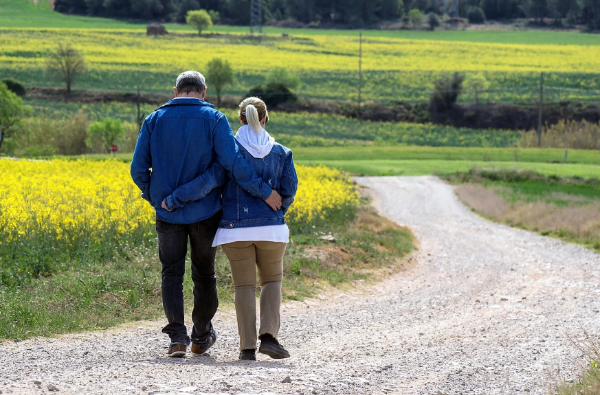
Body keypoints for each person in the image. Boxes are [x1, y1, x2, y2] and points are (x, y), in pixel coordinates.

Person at [130, 71, 282, 358]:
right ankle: (201, 336)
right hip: (206, 213)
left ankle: (177, 338)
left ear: (175, 91)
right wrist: (263, 191)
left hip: (167, 215)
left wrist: (157, 199)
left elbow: (138, 169)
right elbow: (232, 164)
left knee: (171, 273)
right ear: (204, 91)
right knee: (204, 274)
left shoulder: (154, 119)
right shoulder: (215, 120)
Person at [213, 97, 298, 361]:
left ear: (240, 119)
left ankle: (247, 348)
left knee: (244, 287)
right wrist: (276, 212)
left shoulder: (229, 152)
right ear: (265, 119)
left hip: (233, 230)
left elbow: (216, 182)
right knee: (272, 281)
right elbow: (290, 190)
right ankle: (269, 337)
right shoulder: (282, 152)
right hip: (271, 231)